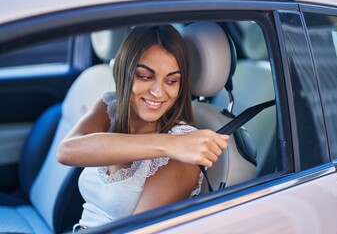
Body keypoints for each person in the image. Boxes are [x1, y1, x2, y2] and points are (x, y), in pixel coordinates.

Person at [57, 25, 229, 230]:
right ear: (125, 72)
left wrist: (174, 147)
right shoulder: (110, 108)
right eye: (146, 77)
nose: (158, 92)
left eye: (172, 80)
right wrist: (168, 144)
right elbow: (66, 151)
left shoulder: (184, 155)